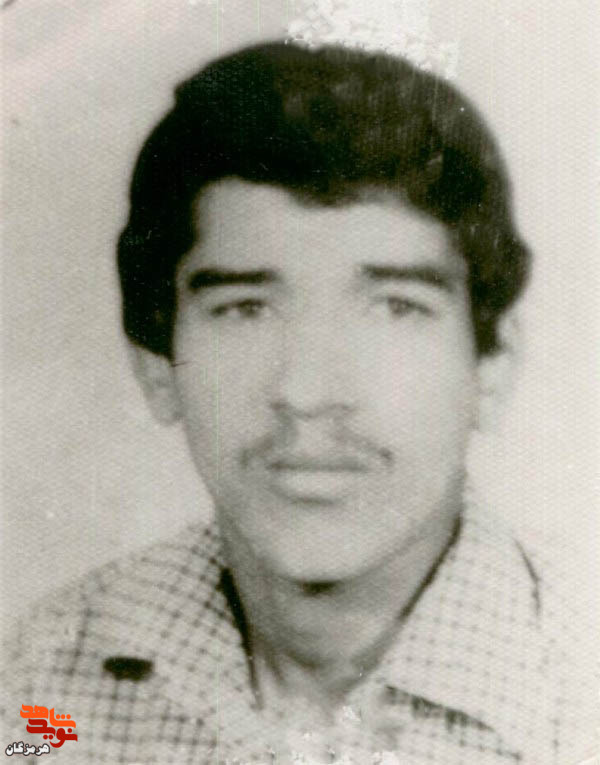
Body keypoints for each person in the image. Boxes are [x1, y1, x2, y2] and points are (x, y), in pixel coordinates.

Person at [0, 42, 593, 764]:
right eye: (245, 309)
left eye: (395, 308)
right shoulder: (47, 689)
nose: (308, 393)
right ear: (157, 366)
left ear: (491, 367)